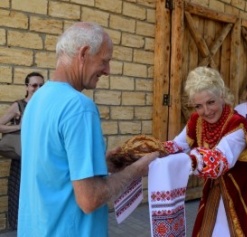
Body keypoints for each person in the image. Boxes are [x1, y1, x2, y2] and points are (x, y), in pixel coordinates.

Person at [18, 22, 158, 237]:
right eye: (105, 61)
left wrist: (105, 161)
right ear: (83, 53)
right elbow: (90, 199)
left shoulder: (37, 100)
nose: (107, 71)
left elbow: (54, 168)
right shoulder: (79, 107)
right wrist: (137, 170)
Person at [162, 67, 247, 236]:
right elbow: (177, 145)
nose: (206, 111)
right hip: (214, 193)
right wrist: (150, 152)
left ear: (222, 96)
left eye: (211, 102)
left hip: (243, 195)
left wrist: (188, 161)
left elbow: (219, 161)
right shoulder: (196, 120)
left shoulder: (237, 123)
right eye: (198, 106)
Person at [0, 72, 44, 230]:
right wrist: (19, 126)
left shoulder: (44, 106)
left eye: (41, 85)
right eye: (34, 85)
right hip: (22, 160)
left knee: (38, 197)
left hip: (40, 161)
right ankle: (20, 228)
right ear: (26, 87)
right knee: (19, 195)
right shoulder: (19, 105)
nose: (37, 88)